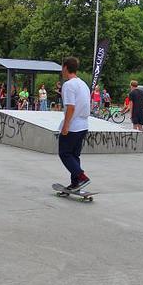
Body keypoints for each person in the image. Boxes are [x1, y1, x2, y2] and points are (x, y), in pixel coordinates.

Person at [58, 56, 91, 191]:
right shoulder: (83, 84)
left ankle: (81, 176)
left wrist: (66, 126)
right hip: (84, 125)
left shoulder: (68, 85)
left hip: (73, 126)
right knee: (74, 155)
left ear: (65, 67)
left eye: (62, 68)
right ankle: (76, 182)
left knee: (64, 153)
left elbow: (70, 107)